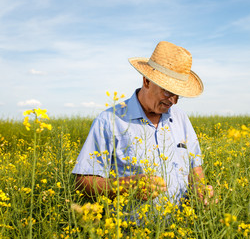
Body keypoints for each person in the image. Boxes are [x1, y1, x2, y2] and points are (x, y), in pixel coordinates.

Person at [72, 41, 214, 208]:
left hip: (182, 226)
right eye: (168, 92)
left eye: (178, 95)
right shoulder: (108, 121)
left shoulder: (181, 119)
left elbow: (194, 168)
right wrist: (126, 186)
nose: (173, 102)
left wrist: (200, 189)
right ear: (147, 81)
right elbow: (82, 183)